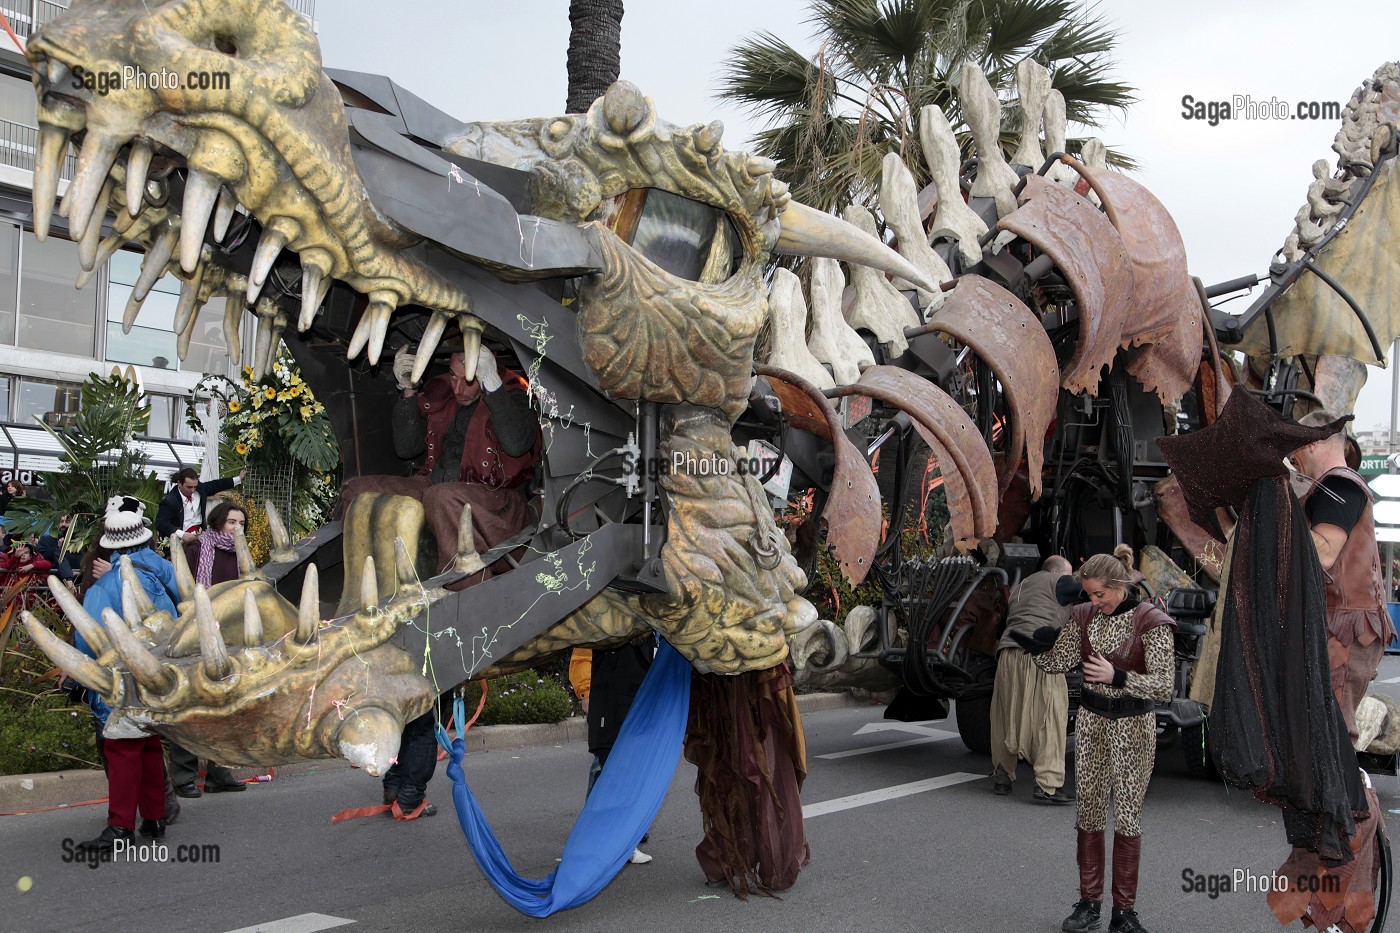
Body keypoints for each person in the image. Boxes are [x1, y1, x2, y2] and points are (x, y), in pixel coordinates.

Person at [343, 343, 541, 819]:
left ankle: (463, 603)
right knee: (359, 490)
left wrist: (493, 385)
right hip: (441, 493)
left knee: (443, 498)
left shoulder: (512, 395)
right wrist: (408, 390)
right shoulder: (442, 398)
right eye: (451, 376)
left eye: (464, 375)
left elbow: (516, 444)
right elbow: (407, 448)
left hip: (495, 506)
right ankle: (362, 595)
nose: (455, 384)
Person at [1022, 545, 1174, 933]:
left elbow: (1164, 686)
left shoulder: (1150, 621)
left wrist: (1118, 677)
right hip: (1091, 722)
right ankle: (1089, 904)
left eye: (1100, 594)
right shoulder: (1085, 615)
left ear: (1120, 585)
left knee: (1127, 816)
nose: (1094, 601)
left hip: (1133, 727)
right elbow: (1060, 660)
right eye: (1089, 594)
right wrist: (1038, 648)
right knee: (1088, 812)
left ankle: (1124, 914)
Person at [72, 495, 181, 852]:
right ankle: (154, 817)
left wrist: (77, 675)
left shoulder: (105, 585)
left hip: (120, 681)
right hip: (156, 674)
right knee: (148, 744)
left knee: (121, 748)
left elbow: (88, 639)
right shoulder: (157, 571)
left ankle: (120, 827)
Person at [1289, 409, 1395, 744]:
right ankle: (1338, 795)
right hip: (1341, 624)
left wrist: (1283, 516)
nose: (1292, 457)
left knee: (1333, 733)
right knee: (1326, 731)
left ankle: (1345, 797)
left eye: (1296, 447)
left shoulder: (1339, 485)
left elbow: (1323, 552)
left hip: (1347, 629)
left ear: (1313, 444)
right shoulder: (1332, 487)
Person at [167, 501, 249, 798]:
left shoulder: (243, 555)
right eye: (231, 522)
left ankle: (218, 773)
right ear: (217, 523)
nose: (236, 528)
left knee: (222, 706)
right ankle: (183, 775)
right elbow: (181, 589)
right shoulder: (197, 549)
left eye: (241, 523)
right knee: (189, 704)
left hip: (228, 639)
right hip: (194, 635)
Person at [989, 554, 1075, 803]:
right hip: (1039, 654)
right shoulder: (1057, 581)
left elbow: (1001, 624)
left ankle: (1002, 778)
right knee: (1050, 714)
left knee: (1006, 715)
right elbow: (1088, 587)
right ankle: (1047, 785)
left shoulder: (1020, 587)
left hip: (1007, 655)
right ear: (1057, 572)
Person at [569, 640, 656, 865]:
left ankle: (623, 834)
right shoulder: (605, 612)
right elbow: (583, 650)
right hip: (609, 698)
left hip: (634, 698)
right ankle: (600, 837)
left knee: (630, 768)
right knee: (607, 768)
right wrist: (585, 690)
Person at [156, 466, 247, 541]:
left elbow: (217, 484)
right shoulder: (169, 501)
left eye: (195, 487)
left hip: (199, 535)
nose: (192, 490)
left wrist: (238, 479)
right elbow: (161, 523)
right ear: (179, 483)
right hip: (177, 540)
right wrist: (182, 534)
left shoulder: (200, 489)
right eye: (189, 487)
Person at [1, 538, 52, 610]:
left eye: (26, 553)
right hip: (10, 603)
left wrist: (32, 565)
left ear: (31, 556)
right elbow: (6, 566)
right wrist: (15, 556)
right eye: (21, 553)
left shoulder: (33, 564)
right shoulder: (14, 562)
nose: (23, 555)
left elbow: (48, 564)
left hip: (28, 603)